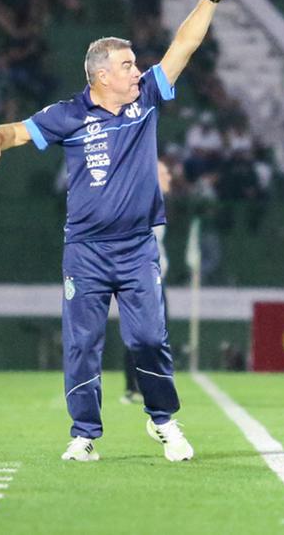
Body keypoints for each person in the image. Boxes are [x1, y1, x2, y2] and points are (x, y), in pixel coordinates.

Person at [0, 0, 240, 462]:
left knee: (147, 338)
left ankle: (164, 422)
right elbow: (15, 132)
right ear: (100, 76)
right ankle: (84, 435)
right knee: (82, 345)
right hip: (86, 251)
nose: (137, 71)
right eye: (127, 66)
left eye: (136, 64)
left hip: (137, 246)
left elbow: (184, 45)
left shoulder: (147, 100)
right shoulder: (68, 115)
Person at [121, 158, 174, 406]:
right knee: (144, 335)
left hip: (153, 278)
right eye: (164, 173)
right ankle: (137, 386)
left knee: (150, 334)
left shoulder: (156, 200)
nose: (169, 177)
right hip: (142, 278)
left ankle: (142, 386)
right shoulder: (143, 199)